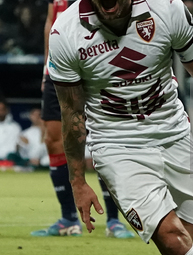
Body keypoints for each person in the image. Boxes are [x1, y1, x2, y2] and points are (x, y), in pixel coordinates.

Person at [47, 0, 193, 254]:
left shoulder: (168, 8)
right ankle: (149, 208)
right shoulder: (65, 32)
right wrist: (78, 181)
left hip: (173, 134)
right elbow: (72, 112)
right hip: (116, 144)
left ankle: (158, 207)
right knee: (172, 238)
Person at [31, 0, 134, 238]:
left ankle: (113, 220)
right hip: (58, 68)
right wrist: (47, 65)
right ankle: (68, 218)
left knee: (105, 137)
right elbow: (51, 20)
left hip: (94, 64)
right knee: (53, 140)